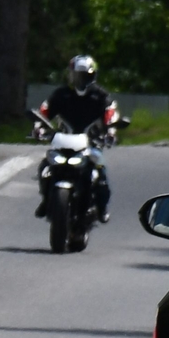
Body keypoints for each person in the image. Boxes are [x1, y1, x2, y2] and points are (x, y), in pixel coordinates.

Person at [35, 54, 119, 222]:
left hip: (91, 143)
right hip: (63, 140)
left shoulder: (100, 96)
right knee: (45, 167)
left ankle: (101, 208)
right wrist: (38, 127)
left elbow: (110, 113)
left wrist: (110, 132)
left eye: (82, 75)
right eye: (75, 75)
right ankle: (46, 200)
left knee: (100, 174)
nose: (78, 79)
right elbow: (45, 111)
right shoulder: (61, 94)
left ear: (91, 75)